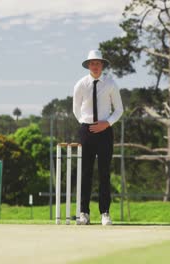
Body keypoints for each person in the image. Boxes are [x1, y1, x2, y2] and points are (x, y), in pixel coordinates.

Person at [73, 50, 123, 225]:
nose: (95, 66)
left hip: (105, 131)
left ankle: (105, 213)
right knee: (85, 173)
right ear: (88, 65)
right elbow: (76, 108)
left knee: (104, 173)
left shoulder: (110, 83)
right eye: (92, 63)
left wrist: (106, 123)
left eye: (98, 63)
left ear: (102, 65)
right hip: (86, 131)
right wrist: (84, 124)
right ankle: (83, 213)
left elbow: (119, 110)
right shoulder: (81, 84)